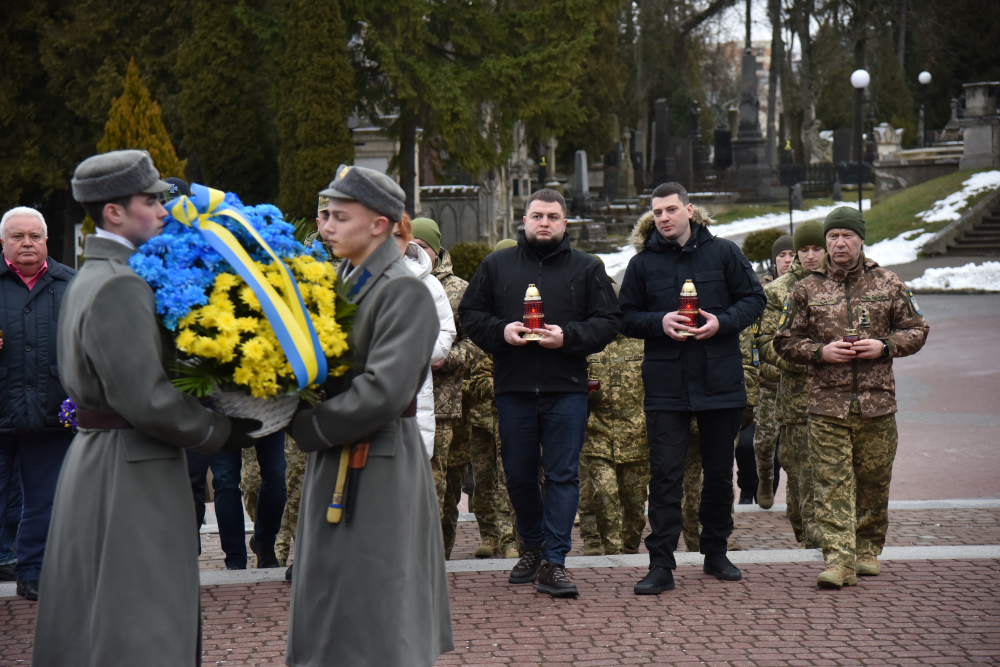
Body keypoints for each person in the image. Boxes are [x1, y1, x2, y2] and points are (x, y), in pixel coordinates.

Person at [33, 150, 259, 666]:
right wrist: (224, 428)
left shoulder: (93, 276)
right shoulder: (120, 284)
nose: (163, 209)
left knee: (102, 618)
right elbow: (149, 401)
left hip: (105, 457)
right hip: (132, 465)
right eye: (150, 200)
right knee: (139, 624)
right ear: (113, 212)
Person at [287, 164, 452, 667]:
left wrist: (309, 426)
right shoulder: (341, 282)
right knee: (334, 597)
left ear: (380, 224)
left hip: (377, 459)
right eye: (325, 216)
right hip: (339, 452)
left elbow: (385, 390)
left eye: (340, 216)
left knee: (376, 603)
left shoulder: (403, 290)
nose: (326, 226)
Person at [460, 188, 622, 597]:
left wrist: (568, 337)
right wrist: (503, 331)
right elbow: (471, 315)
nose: (544, 222)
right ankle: (532, 546)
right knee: (517, 474)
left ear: (565, 222)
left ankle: (556, 561)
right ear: (525, 220)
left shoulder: (587, 267)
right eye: (537, 216)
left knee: (563, 474)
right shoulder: (497, 265)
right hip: (513, 387)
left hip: (565, 387)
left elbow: (608, 321)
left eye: (552, 216)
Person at [619, 181, 765, 595]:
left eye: (670, 210)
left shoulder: (724, 253)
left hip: (720, 380)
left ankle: (715, 552)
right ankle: (660, 564)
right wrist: (659, 322)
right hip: (666, 384)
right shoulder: (643, 264)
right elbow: (625, 315)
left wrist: (723, 321)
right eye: (657, 212)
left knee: (720, 474)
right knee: (665, 476)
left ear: (689, 209)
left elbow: (754, 299)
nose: (663, 218)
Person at [774, 206, 929, 588]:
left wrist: (885, 345)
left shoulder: (888, 283)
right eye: (832, 237)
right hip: (826, 403)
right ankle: (838, 560)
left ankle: (867, 549)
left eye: (846, 236)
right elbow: (783, 341)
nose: (838, 243)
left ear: (860, 239)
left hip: (877, 404)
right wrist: (819, 353)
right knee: (830, 482)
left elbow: (917, 329)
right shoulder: (806, 288)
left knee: (873, 479)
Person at [0, 206, 77, 601]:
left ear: (47, 240)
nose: (27, 243)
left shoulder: (72, 284)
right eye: (18, 236)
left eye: (34, 236)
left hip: (51, 411)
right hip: (1, 408)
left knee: (45, 500)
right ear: (3, 243)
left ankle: (33, 572)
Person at [412, 217, 482, 557]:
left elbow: (476, 343)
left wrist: (446, 359)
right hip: (406, 403)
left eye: (422, 246)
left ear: (436, 251)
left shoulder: (459, 290)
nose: (415, 251)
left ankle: (441, 555)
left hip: (446, 404)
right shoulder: (397, 282)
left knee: (443, 485)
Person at [757, 220, 826, 548]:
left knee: (833, 479)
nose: (811, 256)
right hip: (797, 404)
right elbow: (766, 343)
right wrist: (808, 358)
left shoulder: (847, 286)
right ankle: (807, 535)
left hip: (841, 400)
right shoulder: (778, 290)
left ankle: (831, 547)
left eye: (817, 248)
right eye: (804, 250)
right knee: (800, 485)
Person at [579, 283, 650, 556]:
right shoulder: (586, 341)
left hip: (637, 436)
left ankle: (629, 549)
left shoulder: (642, 342)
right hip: (597, 434)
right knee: (605, 495)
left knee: (634, 505)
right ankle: (613, 554)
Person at [468, 239, 519, 560]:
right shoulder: (483, 314)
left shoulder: (525, 311)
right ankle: (489, 534)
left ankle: (512, 537)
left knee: (512, 478)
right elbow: (472, 374)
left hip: (511, 414)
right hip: (480, 417)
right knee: (483, 481)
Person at [393, 214, 456, 457]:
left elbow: (446, 331)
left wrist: (416, 352)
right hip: (368, 392)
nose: (392, 243)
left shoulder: (428, 283)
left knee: (411, 468)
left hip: (414, 389)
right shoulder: (353, 280)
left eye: (399, 236)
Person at [753, 234, 794, 508]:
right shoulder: (761, 291)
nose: (787, 260)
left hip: (797, 382)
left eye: (792, 254)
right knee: (765, 441)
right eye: (781, 255)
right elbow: (754, 337)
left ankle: (796, 498)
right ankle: (765, 478)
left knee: (795, 446)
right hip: (767, 381)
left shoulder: (806, 286)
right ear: (774, 260)